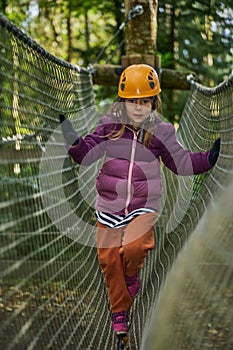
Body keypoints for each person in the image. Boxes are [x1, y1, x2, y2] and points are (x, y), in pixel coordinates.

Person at [59, 64, 220, 336]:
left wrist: (207, 160)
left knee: (134, 248)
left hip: (143, 207)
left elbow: (180, 162)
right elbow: (86, 154)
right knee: (110, 261)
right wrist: (74, 142)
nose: (138, 107)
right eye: (132, 101)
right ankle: (119, 312)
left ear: (154, 102)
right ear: (122, 102)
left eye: (144, 101)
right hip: (109, 207)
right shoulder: (109, 126)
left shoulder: (161, 132)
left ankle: (132, 274)